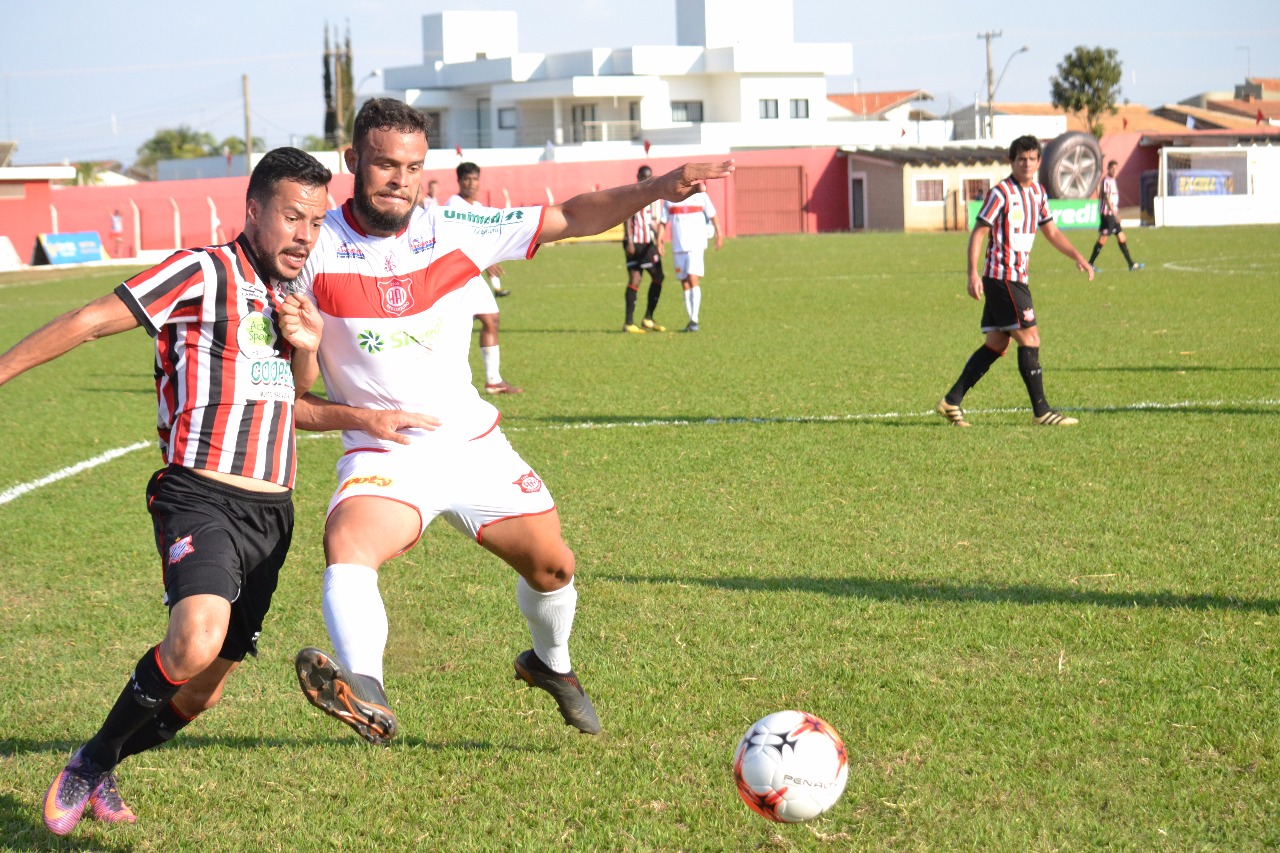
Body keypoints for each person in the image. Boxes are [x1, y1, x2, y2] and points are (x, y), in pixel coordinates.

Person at [288, 97, 733, 745]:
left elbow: (572, 216)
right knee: (349, 545)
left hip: (473, 446)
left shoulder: (455, 225)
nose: (399, 180)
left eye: (412, 167)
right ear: (352, 160)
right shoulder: (310, 248)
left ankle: (551, 664)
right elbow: (292, 397)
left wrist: (660, 186)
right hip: (384, 453)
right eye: (384, 165)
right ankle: (367, 690)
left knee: (554, 568)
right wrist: (348, 401)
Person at [0, 148, 331, 836]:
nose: (304, 235)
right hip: (200, 492)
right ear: (253, 210)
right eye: (292, 216)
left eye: (316, 222)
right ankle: (90, 762)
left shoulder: (293, 294)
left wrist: (309, 342)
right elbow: (91, 320)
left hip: (274, 511)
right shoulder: (201, 271)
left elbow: (294, 391)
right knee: (193, 642)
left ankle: (106, 759)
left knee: (201, 694)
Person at [936, 134, 1093, 428]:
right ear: (1012, 161)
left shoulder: (1039, 193)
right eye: (1022, 159)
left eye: (1032, 159)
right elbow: (979, 232)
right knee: (1031, 339)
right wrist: (972, 273)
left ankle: (951, 401)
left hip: (1017, 278)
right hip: (1003, 278)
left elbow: (1051, 231)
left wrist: (1077, 256)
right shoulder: (1001, 193)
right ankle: (1042, 411)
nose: (1027, 164)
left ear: (1039, 161)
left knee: (996, 344)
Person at [448, 162, 521, 394]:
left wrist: (490, 258)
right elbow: (457, 242)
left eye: (475, 179)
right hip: (454, 276)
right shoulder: (453, 206)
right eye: (467, 179)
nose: (471, 184)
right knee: (450, 330)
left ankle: (493, 381)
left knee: (491, 319)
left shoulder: (478, 208)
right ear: (459, 181)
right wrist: (486, 261)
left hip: (472, 275)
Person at [663, 189, 722, 332]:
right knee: (684, 282)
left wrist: (719, 234)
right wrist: (659, 240)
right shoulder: (670, 196)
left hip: (696, 244)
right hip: (678, 246)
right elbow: (663, 220)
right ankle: (691, 320)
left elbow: (712, 214)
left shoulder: (700, 195)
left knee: (692, 277)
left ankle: (694, 319)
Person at [622, 165, 667, 333]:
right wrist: (629, 240)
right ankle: (631, 322)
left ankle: (646, 318)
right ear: (638, 177)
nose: (646, 179)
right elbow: (626, 217)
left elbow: (652, 222)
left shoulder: (654, 197)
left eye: (649, 176)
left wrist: (659, 239)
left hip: (648, 242)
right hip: (636, 242)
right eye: (644, 176)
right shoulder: (633, 194)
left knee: (657, 277)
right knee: (638, 279)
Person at [1088, 160, 1143, 272]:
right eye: (1112, 169)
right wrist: (1114, 213)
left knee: (1121, 237)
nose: (1114, 171)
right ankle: (1090, 264)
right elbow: (1106, 198)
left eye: (1116, 169)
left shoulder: (1112, 181)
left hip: (1112, 215)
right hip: (1108, 215)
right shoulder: (1107, 181)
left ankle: (1131, 264)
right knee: (1103, 238)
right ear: (1108, 169)